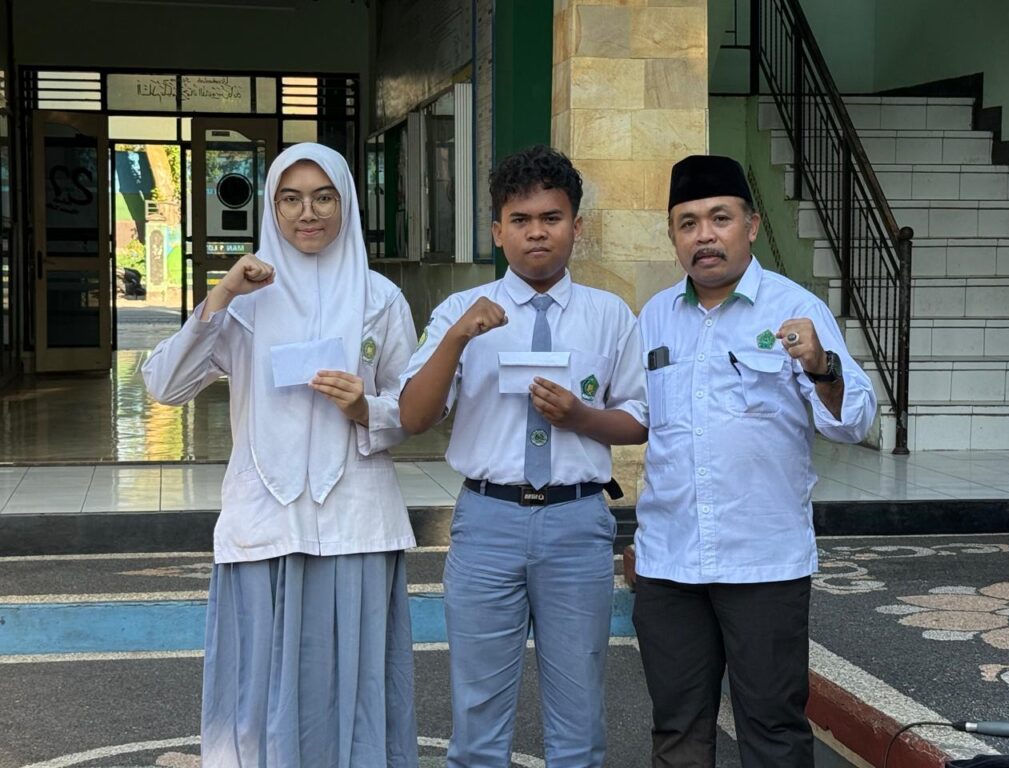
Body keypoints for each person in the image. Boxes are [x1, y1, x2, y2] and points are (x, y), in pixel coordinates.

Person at [143, 143, 419, 768]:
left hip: (354, 521)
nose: (307, 213)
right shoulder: (246, 300)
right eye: (290, 199)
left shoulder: (379, 299)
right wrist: (222, 294)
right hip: (263, 521)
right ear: (271, 208)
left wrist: (366, 408)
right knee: (258, 691)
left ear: (347, 203)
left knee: (350, 688)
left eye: (323, 197)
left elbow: (415, 409)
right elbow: (164, 385)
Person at [399, 145, 647, 768]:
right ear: (496, 231)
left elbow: (640, 419)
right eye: (520, 219)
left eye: (551, 217)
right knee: (477, 722)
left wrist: (581, 418)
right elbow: (415, 415)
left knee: (578, 720)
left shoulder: (610, 316)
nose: (537, 232)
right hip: (488, 522)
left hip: (577, 522)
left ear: (576, 226)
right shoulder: (460, 312)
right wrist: (457, 338)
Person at [632, 154, 877, 768]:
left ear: (752, 225)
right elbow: (637, 415)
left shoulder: (795, 310)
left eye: (720, 218)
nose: (704, 236)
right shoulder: (655, 315)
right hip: (670, 560)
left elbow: (854, 422)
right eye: (688, 223)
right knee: (677, 729)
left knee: (772, 728)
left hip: (762, 562)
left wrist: (821, 366)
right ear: (673, 235)